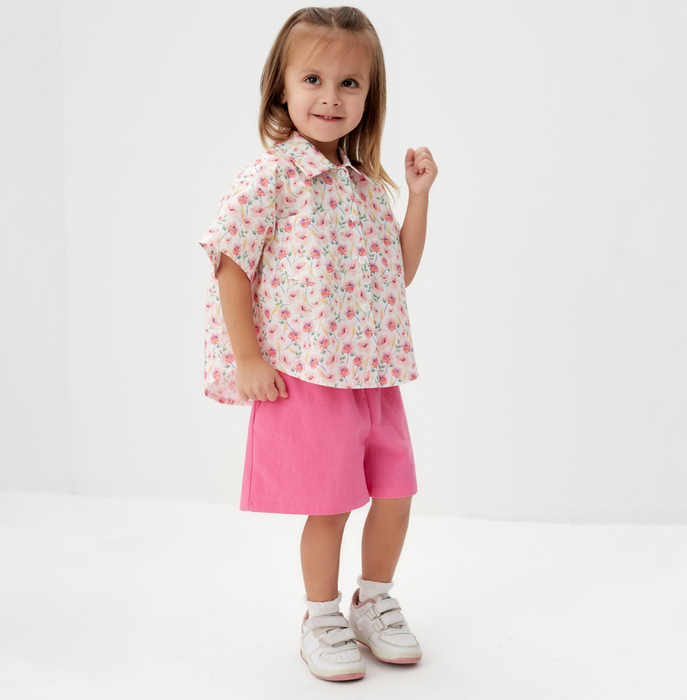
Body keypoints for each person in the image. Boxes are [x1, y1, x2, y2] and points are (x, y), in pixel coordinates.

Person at [198, 6, 437, 683]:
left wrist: (417, 196)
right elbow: (231, 263)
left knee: (396, 494)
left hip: (374, 372)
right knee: (330, 504)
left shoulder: (365, 188)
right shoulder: (272, 177)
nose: (330, 97)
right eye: (313, 79)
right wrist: (248, 357)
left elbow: (397, 272)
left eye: (349, 83)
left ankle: (375, 601)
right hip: (312, 371)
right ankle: (321, 615)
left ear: (369, 95)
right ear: (281, 87)